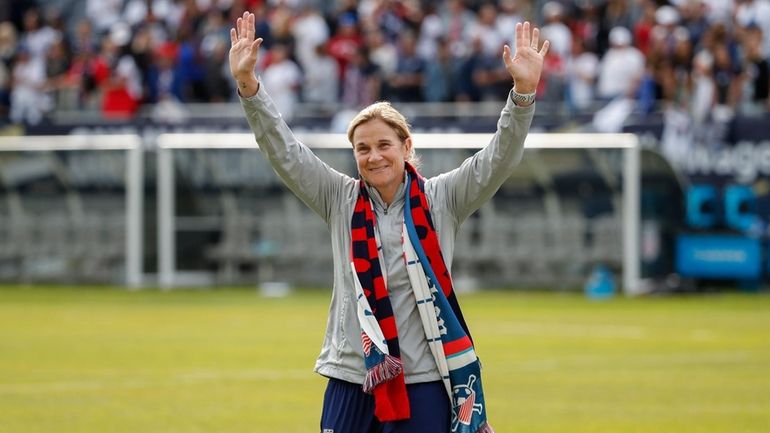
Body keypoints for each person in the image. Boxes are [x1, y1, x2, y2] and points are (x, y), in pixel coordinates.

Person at [229, 11, 549, 433]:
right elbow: (284, 151)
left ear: (406, 146)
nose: (373, 156)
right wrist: (250, 88)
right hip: (351, 377)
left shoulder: (442, 198)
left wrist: (522, 94)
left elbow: (499, 158)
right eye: (363, 148)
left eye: (383, 145)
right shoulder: (339, 198)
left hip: (423, 381)